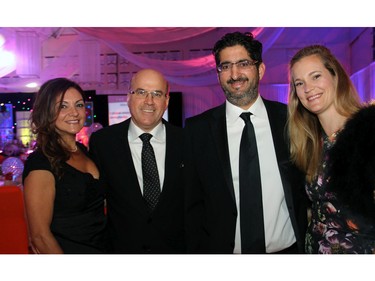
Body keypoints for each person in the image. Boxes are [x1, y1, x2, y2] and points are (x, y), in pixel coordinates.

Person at [184, 31, 307, 254]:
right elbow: (191, 204)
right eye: (225, 66)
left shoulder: (291, 119)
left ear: (260, 69)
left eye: (243, 63)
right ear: (218, 74)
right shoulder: (197, 130)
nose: (234, 74)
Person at [287, 45, 375, 254]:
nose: (308, 88)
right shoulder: (311, 143)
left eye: (316, 76)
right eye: (300, 83)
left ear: (335, 76)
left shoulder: (368, 130)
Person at [89, 69, 185, 253]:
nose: (149, 101)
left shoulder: (187, 141)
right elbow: (93, 204)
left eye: (157, 94)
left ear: (167, 101)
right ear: (128, 97)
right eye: (141, 92)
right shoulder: (103, 143)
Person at [22, 78, 108, 254]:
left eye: (79, 105)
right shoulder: (41, 163)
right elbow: (39, 237)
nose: (74, 113)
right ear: (46, 112)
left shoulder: (85, 152)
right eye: (63, 106)